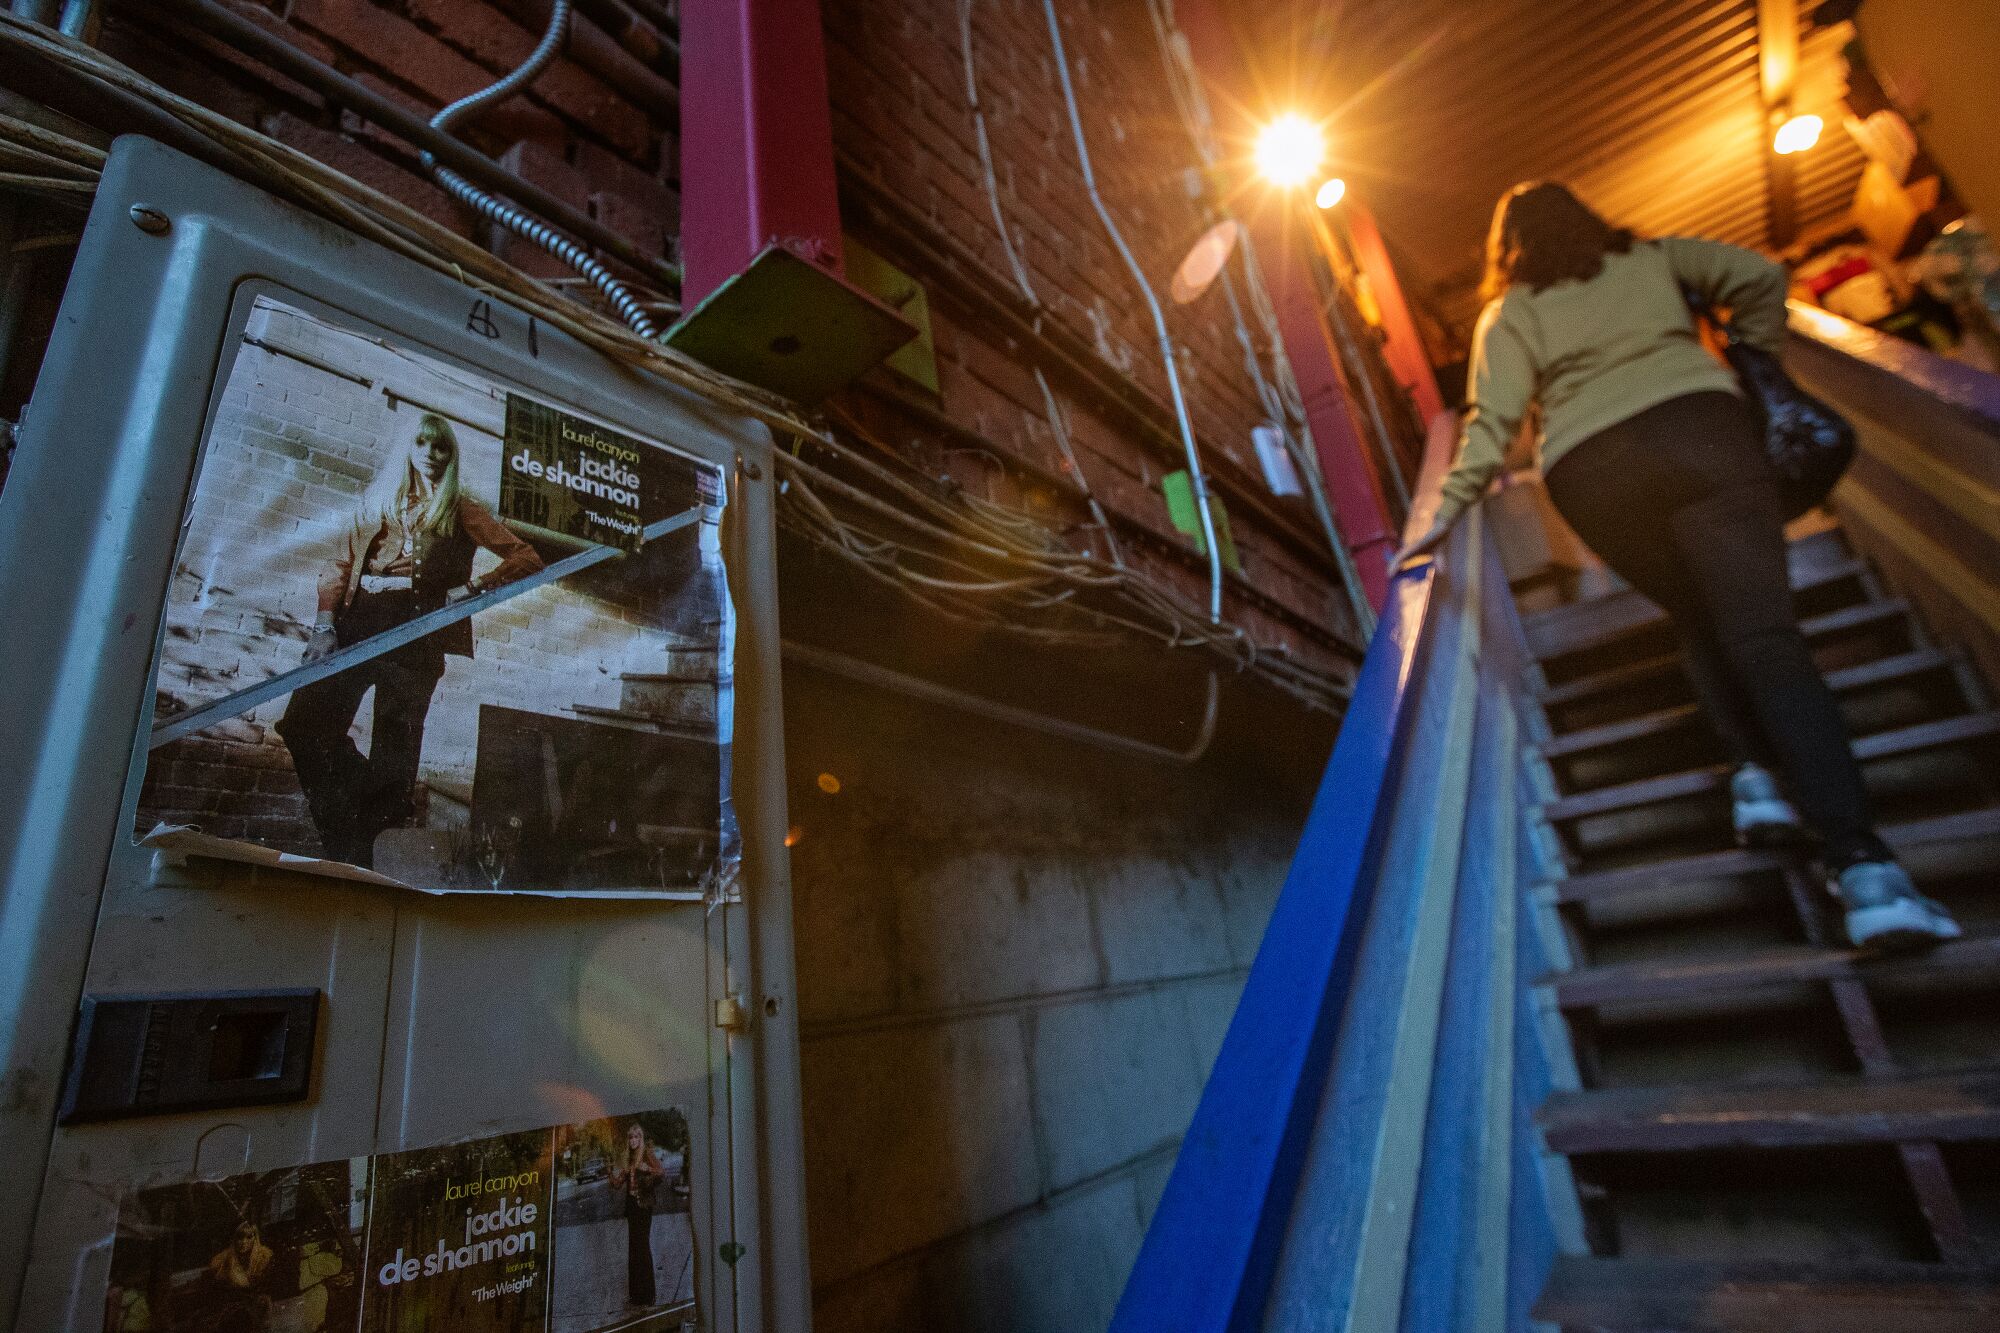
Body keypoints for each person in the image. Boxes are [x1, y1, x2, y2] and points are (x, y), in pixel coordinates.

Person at [1397, 182, 1961, 951]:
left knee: (1699, 614)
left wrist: (1436, 520)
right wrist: (1753, 353)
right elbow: (1761, 280)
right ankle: (1866, 871)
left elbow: (1491, 426)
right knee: (1764, 639)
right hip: (1701, 434)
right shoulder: (1655, 259)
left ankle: (1756, 776)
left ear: (1508, 249)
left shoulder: (1512, 313)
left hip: (1594, 474)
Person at [276, 413, 543, 867]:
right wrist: (324, 626)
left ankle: (362, 857)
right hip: (358, 622)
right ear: (408, 447)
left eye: (441, 447)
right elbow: (338, 566)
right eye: (422, 443)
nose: (431, 454)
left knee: (395, 754)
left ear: (450, 455)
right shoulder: (375, 501)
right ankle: (361, 821)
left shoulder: (461, 508)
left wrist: (476, 588)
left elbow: (527, 557)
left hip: (419, 630)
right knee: (305, 725)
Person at [608, 1120, 665, 1308]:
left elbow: (660, 1173)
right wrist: (611, 1174)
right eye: (630, 1137)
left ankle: (649, 1296)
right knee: (633, 1251)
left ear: (641, 1139)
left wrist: (646, 1169)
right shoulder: (629, 1159)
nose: (633, 1140)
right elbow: (618, 1184)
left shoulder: (647, 1155)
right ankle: (636, 1297)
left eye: (636, 1137)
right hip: (632, 1208)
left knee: (643, 1249)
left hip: (644, 1207)